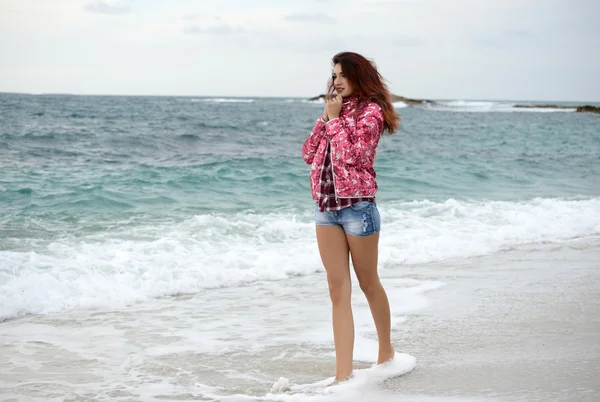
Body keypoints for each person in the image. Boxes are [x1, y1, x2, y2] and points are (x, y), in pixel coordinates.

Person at [301, 51, 401, 384]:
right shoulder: (333, 110)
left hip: (358, 208)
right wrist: (326, 118)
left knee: (368, 283)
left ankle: (386, 350)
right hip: (325, 209)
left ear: (358, 76)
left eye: (342, 74)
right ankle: (342, 375)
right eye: (334, 75)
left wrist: (334, 121)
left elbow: (354, 156)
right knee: (337, 290)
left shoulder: (371, 112)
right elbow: (307, 154)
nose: (337, 80)